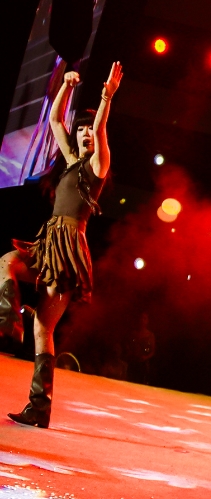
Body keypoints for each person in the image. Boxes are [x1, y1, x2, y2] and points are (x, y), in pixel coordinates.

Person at [3, 63, 121, 428]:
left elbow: (100, 128)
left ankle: (39, 406)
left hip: (68, 248)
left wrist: (106, 97)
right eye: (81, 129)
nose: (85, 133)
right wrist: (66, 87)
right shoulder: (71, 162)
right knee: (7, 261)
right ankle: (9, 321)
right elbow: (55, 121)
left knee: (44, 328)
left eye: (88, 130)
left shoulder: (97, 166)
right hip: (48, 242)